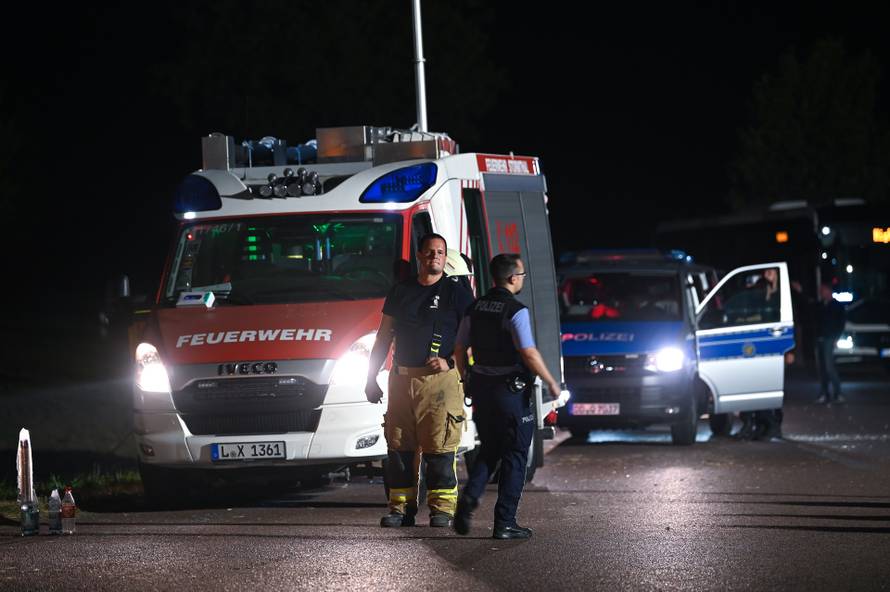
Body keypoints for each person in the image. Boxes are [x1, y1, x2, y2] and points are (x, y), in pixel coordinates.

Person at [365, 233, 474, 528]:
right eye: (429, 252)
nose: (434, 257)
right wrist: (370, 377)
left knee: (439, 448)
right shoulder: (401, 291)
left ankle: (442, 510)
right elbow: (383, 336)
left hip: (440, 382)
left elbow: (474, 335)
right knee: (399, 448)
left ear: (444, 258)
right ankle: (400, 509)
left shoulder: (456, 293)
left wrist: (451, 361)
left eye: (440, 252)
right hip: (401, 380)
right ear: (419, 256)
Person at [452, 254, 561, 540]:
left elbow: (459, 349)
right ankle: (505, 523)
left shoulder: (474, 308)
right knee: (514, 454)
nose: (522, 279)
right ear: (512, 278)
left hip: (483, 390)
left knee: (489, 449)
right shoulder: (515, 310)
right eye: (522, 275)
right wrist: (552, 382)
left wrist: (466, 379)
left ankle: (468, 499)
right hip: (511, 392)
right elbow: (528, 352)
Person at [814, 282, 846, 404]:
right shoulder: (821, 305)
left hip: (829, 338)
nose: (821, 293)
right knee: (821, 368)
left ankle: (838, 393)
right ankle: (824, 393)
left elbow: (841, 323)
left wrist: (836, 337)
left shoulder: (836, 305)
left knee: (829, 366)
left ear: (829, 291)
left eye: (823, 291)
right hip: (820, 338)